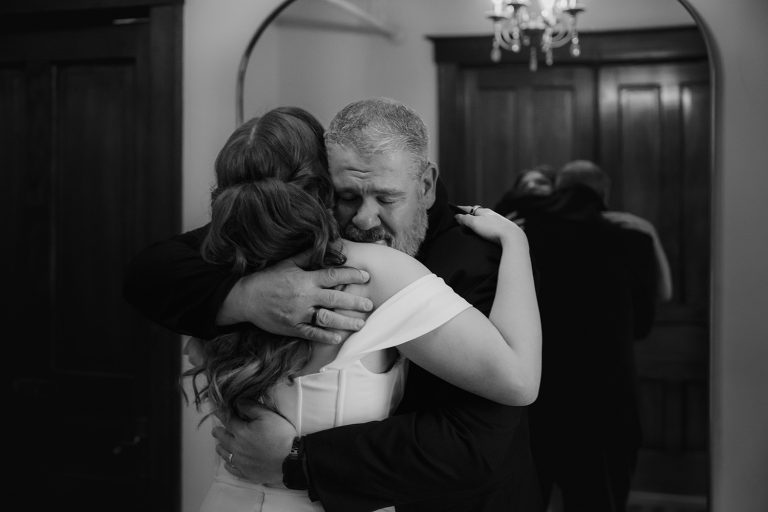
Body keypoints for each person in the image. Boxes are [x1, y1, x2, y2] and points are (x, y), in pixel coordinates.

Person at [124, 98, 543, 511]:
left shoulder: (470, 261)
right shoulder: (253, 251)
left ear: (426, 186)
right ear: (320, 190)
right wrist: (247, 298)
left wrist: (298, 461)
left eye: (387, 198)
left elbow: (478, 438)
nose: (363, 218)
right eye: (347, 196)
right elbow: (148, 273)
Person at [518, 161, 660, 512]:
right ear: (605, 194)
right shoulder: (634, 238)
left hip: (542, 398)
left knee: (527, 497)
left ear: (558, 190)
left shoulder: (525, 233)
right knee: (601, 500)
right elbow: (642, 325)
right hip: (608, 399)